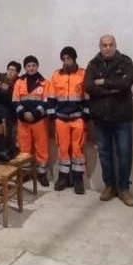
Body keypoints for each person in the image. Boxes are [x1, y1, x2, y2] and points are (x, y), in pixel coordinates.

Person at [85, 34, 133, 206]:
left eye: (110, 44)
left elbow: (126, 82)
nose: (107, 48)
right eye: (104, 45)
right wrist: (112, 88)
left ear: (115, 45)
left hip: (122, 117)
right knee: (105, 154)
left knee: (124, 153)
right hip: (101, 118)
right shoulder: (93, 64)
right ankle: (109, 186)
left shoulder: (125, 62)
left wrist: (103, 82)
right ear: (100, 47)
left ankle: (123, 188)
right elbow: (89, 86)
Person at [48, 46, 87, 194]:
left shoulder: (83, 74)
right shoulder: (56, 75)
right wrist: (52, 114)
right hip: (61, 119)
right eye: (63, 59)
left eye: (68, 58)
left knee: (77, 150)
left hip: (78, 118)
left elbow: (87, 95)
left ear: (74, 58)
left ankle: (78, 180)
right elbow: (51, 95)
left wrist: (86, 114)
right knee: (63, 149)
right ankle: (63, 178)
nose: (66, 61)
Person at [12, 55, 51, 186]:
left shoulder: (45, 82)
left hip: (39, 121)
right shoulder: (19, 82)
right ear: (25, 68)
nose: (31, 68)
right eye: (28, 66)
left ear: (37, 66)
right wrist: (24, 113)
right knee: (24, 147)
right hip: (23, 121)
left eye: (33, 65)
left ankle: (42, 174)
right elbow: (15, 101)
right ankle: (25, 173)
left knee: (42, 147)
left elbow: (47, 102)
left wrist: (34, 113)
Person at [0, 61, 20, 146]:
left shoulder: (18, 83)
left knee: (8, 140)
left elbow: (14, 101)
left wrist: (8, 91)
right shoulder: (0, 79)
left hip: (9, 116)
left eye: (13, 70)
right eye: (9, 69)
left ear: (17, 73)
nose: (10, 72)